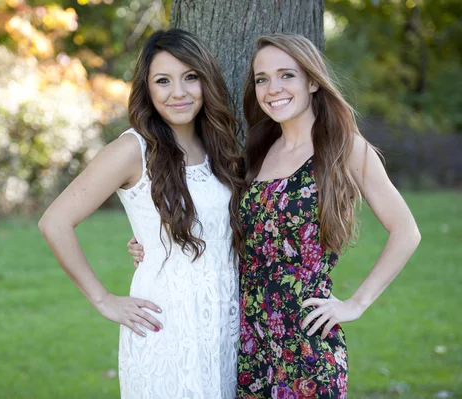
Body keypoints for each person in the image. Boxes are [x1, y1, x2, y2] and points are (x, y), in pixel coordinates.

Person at [128, 33, 421, 399]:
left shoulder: (345, 148)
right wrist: (152, 241)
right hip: (248, 344)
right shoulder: (257, 151)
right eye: (262, 79)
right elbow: (219, 222)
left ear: (312, 81)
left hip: (307, 347)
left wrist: (356, 303)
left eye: (286, 75)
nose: (272, 88)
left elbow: (406, 231)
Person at [38, 28, 244, 399]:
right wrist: (103, 300)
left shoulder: (220, 147)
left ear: (206, 81)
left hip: (223, 325)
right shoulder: (133, 149)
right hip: (165, 324)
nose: (178, 92)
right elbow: (55, 222)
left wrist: (152, 240)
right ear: (147, 89)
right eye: (163, 81)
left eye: (190, 77)